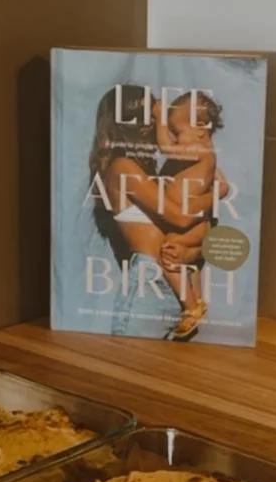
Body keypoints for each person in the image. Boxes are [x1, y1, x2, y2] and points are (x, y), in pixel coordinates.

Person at [87, 85, 226, 340]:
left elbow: (198, 231)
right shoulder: (122, 168)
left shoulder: (157, 170)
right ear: (133, 124)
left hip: (176, 289)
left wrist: (188, 251)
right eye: (153, 116)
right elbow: (181, 217)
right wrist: (217, 193)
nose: (161, 126)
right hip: (149, 285)